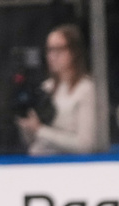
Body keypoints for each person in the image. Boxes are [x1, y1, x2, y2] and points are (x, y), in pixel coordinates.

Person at [15, 23, 100, 155]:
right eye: (49, 50)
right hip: (38, 162)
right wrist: (26, 125)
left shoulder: (86, 89)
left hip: (69, 166)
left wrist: (40, 130)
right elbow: (31, 141)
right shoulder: (45, 88)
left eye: (58, 50)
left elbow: (86, 144)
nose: (52, 56)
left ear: (73, 52)